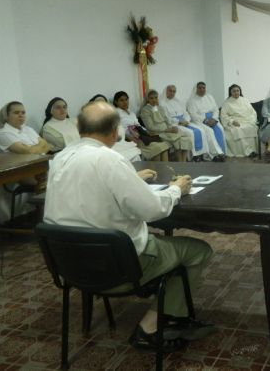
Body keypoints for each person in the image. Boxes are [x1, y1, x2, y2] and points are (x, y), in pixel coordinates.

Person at [43, 101, 216, 351]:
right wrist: (176, 189)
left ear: (79, 129)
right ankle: (152, 325)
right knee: (198, 251)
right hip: (118, 267)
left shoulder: (59, 159)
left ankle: (167, 313)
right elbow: (151, 210)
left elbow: (86, 191)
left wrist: (129, 180)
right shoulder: (110, 159)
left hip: (71, 266)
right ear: (115, 131)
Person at [161, 85, 222, 162]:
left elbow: (185, 113)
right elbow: (166, 118)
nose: (172, 93)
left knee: (201, 131)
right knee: (191, 133)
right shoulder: (162, 103)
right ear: (166, 91)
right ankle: (192, 156)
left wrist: (186, 120)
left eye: (174, 91)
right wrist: (178, 121)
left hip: (184, 122)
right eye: (170, 91)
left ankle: (202, 154)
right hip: (174, 124)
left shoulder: (178, 101)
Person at [112, 91, 170, 161]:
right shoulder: (115, 113)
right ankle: (156, 171)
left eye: (126, 99)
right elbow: (118, 130)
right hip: (130, 138)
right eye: (122, 100)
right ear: (116, 102)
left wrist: (147, 132)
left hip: (141, 135)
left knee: (163, 147)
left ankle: (166, 170)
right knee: (157, 149)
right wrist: (130, 137)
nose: (125, 102)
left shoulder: (131, 113)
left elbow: (138, 125)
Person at [140, 89, 193, 162]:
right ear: (147, 99)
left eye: (156, 97)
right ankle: (181, 164)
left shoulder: (160, 108)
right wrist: (167, 130)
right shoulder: (145, 110)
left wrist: (172, 127)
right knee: (178, 140)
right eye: (151, 98)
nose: (154, 100)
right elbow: (150, 127)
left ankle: (183, 163)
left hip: (167, 131)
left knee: (186, 138)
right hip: (158, 133)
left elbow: (167, 120)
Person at [87, 94, 143, 162]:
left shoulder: (110, 117)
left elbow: (119, 132)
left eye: (104, 104)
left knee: (134, 153)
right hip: (102, 144)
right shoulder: (90, 119)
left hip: (116, 141)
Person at [186, 82, 226, 161]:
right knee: (209, 131)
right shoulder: (191, 100)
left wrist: (214, 118)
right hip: (200, 121)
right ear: (196, 89)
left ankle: (222, 152)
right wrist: (205, 120)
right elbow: (192, 114)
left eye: (203, 88)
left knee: (220, 129)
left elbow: (216, 109)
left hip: (212, 119)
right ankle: (215, 154)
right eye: (200, 88)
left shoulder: (209, 97)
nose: (202, 89)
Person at [220, 84, 258, 158]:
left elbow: (253, 112)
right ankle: (245, 152)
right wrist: (232, 121)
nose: (236, 92)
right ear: (230, 92)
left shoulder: (245, 100)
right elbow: (223, 116)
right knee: (238, 130)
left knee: (251, 128)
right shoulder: (227, 103)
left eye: (238, 91)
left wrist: (252, 121)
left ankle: (252, 151)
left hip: (247, 121)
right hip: (235, 122)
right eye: (234, 91)